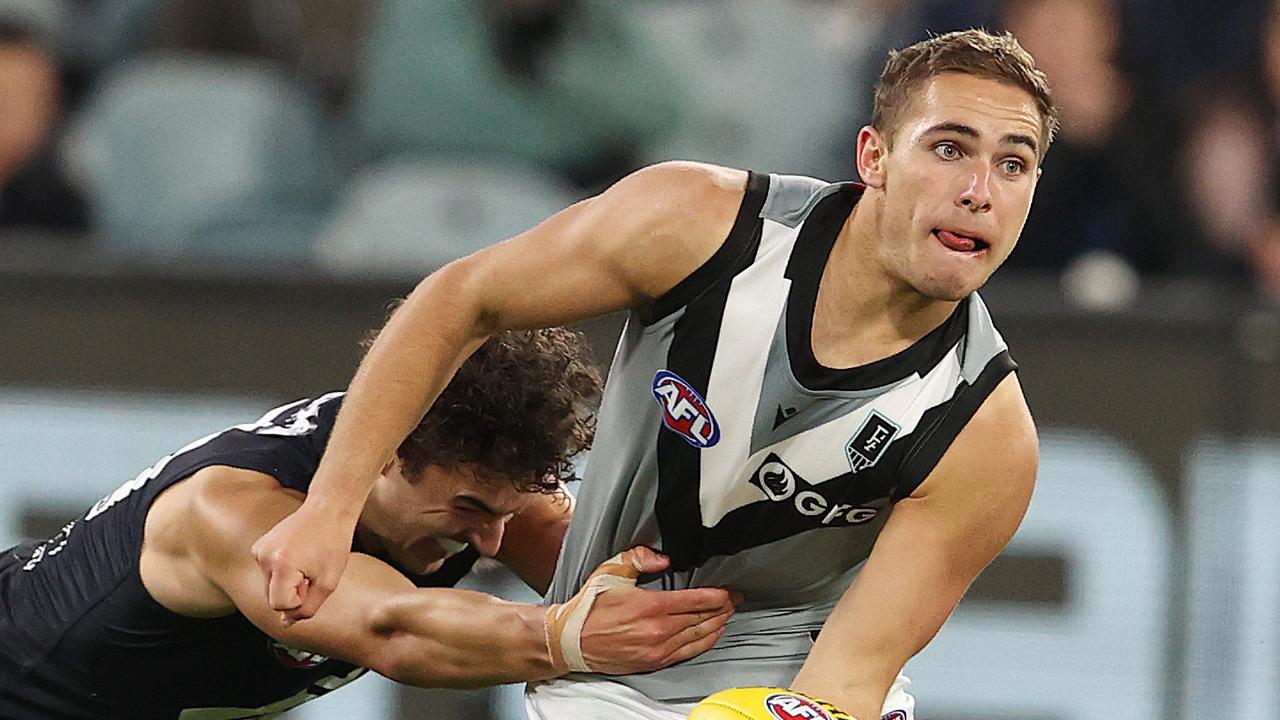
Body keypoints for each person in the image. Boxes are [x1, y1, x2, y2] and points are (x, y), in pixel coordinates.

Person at [255, 28, 1053, 719]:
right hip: (606, 674)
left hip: (789, 685)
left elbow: (846, 681)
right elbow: (462, 300)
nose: (979, 192)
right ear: (873, 156)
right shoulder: (700, 226)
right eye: (948, 149)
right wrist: (330, 507)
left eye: (1013, 165)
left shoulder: (986, 438)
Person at [0, 325, 736, 719]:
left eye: (508, 512)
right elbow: (396, 629)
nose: (489, 544)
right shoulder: (231, 511)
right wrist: (566, 638)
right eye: (470, 512)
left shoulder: (479, 486)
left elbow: (669, 594)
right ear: (380, 456)